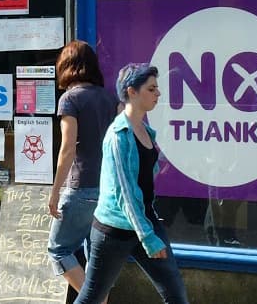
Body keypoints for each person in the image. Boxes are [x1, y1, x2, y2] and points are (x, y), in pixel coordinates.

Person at [75, 63, 189, 304]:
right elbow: (126, 193)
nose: (158, 94)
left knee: (176, 294)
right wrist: (148, 237)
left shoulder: (146, 130)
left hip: (144, 221)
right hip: (114, 232)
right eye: (151, 89)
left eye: (157, 88)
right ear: (132, 92)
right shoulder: (119, 135)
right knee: (91, 299)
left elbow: (144, 175)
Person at [47, 41, 119, 293]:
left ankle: (92, 300)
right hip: (108, 189)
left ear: (66, 66)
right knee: (96, 259)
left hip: (81, 187)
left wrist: (55, 190)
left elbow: (68, 149)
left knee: (59, 249)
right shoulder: (109, 98)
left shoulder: (69, 99)